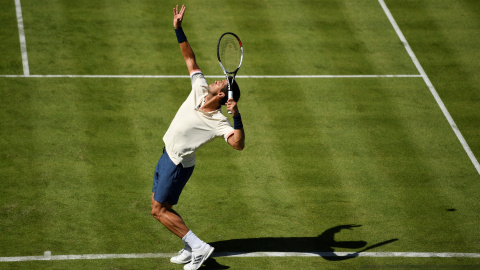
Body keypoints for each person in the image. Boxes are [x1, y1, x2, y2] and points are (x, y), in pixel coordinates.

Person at [150, 4, 245, 270]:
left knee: (158, 210)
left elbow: (238, 144)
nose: (215, 81)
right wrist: (178, 30)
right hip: (167, 153)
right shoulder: (200, 87)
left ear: (223, 96)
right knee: (162, 204)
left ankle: (200, 248)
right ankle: (190, 246)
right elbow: (190, 58)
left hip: (177, 163)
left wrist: (237, 116)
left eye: (221, 83)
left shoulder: (218, 121)